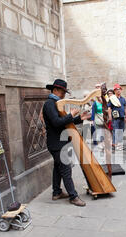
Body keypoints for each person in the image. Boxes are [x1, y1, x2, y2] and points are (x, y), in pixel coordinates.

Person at [42, 79, 91, 207]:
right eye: (63, 92)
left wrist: (80, 118)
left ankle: (56, 192)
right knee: (66, 169)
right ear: (55, 90)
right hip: (56, 143)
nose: (64, 94)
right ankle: (73, 196)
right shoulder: (49, 104)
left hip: (59, 142)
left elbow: (64, 122)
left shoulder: (56, 103)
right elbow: (57, 123)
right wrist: (70, 114)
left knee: (58, 168)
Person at [108, 84, 126, 151]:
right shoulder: (112, 98)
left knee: (121, 130)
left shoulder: (123, 99)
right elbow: (109, 108)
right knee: (115, 130)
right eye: (116, 89)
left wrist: (125, 116)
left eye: (119, 89)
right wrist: (110, 116)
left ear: (121, 90)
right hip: (115, 117)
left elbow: (124, 108)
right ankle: (114, 144)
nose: (118, 91)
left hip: (122, 116)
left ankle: (119, 144)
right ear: (114, 91)